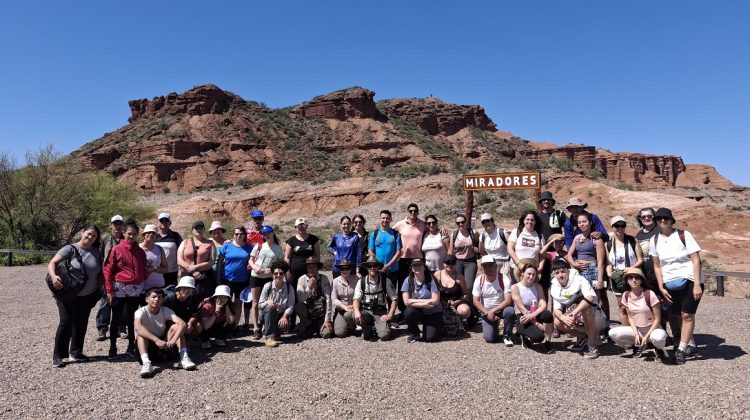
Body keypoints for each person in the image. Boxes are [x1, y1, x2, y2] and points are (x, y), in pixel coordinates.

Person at [650, 208, 703, 364]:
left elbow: (695, 260)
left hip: (689, 280)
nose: (662, 221)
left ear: (671, 220)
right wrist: (661, 286)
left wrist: (697, 284)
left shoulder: (683, 235)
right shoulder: (654, 240)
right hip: (669, 283)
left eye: (665, 218)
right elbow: (657, 266)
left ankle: (681, 349)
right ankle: (690, 343)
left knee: (687, 314)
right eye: (659, 219)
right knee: (678, 314)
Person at [48, 225, 103, 367]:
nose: (90, 237)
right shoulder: (70, 249)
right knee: (65, 322)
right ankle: (58, 355)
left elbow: (99, 274)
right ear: (83, 233)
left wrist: (100, 290)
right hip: (68, 294)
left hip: (88, 295)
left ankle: (76, 352)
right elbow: (52, 263)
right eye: (89, 234)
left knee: (81, 323)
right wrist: (54, 277)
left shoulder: (97, 253)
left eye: (94, 236)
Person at [104, 220, 148, 360]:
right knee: (116, 319)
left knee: (132, 319)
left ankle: (131, 345)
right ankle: (112, 347)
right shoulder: (116, 249)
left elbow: (143, 268)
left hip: (135, 290)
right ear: (123, 233)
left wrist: (142, 278)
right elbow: (107, 270)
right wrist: (109, 290)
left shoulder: (140, 251)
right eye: (129, 233)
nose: (131, 236)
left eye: (134, 234)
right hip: (119, 289)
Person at [608, 267, 669, 363]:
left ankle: (659, 349)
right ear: (627, 280)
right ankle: (639, 344)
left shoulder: (649, 294)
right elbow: (630, 317)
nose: (633, 280)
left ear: (641, 280)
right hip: (639, 330)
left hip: (654, 329)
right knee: (613, 333)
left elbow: (657, 319)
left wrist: (647, 336)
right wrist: (636, 334)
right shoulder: (626, 295)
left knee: (657, 338)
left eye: (637, 277)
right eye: (630, 278)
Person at [549, 258, 606, 359]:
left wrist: (573, 313)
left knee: (585, 307)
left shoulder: (579, 279)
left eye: (563, 271)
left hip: (595, 318)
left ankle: (592, 345)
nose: (561, 275)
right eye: (557, 272)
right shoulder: (555, 286)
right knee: (557, 321)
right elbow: (556, 309)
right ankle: (584, 337)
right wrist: (562, 317)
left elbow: (590, 297)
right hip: (576, 319)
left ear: (568, 270)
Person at [134, 287, 196, 378]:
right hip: (148, 346)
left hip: (164, 345)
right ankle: (146, 363)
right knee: (141, 335)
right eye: (154, 297)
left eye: (159, 297)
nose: (157, 299)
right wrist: (156, 340)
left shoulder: (165, 310)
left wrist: (174, 339)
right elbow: (138, 327)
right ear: (147, 299)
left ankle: (184, 357)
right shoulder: (140, 312)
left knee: (176, 327)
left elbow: (182, 324)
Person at [565, 211, 609, 324]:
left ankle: (603, 324)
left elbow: (600, 261)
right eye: (579, 222)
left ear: (590, 222)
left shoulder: (596, 239)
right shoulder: (577, 238)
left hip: (593, 270)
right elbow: (569, 255)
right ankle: (584, 324)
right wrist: (574, 264)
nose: (582, 224)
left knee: (596, 298)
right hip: (580, 271)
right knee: (581, 298)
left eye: (584, 222)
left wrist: (599, 279)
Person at [606, 215, 644, 326]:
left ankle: (640, 331)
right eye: (616, 226)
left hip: (632, 276)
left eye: (622, 225)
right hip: (617, 278)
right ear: (612, 227)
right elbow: (609, 263)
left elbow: (640, 259)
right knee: (622, 307)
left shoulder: (632, 240)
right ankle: (627, 334)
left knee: (636, 305)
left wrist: (631, 269)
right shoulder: (608, 244)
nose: (620, 228)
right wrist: (609, 273)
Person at [248, 225, 283, 339]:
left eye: (268, 233)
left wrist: (271, 270)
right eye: (264, 234)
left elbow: (279, 264)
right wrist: (255, 267)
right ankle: (256, 328)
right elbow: (251, 259)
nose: (266, 235)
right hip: (256, 276)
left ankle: (267, 326)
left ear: (272, 233)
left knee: (269, 302)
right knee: (256, 302)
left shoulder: (278, 248)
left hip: (268, 278)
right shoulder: (259, 246)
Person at [216, 225, 253, 330]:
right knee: (223, 303)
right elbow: (219, 263)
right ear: (233, 235)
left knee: (238, 304)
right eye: (236, 234)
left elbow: (252, 261)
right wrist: (218, 279)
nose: (238, 236)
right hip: (226, 279)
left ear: (244, 235)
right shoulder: (227, 246)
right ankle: (221, 326)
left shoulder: (249, 247)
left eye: (241, 234)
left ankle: (235, 327)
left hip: (242, 280)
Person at [472, 256, 516, 346]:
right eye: (485, 266)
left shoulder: (504, 279)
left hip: (501, 309)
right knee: (489, 339)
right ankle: (494, 326)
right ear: (482, 268)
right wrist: (487, 313)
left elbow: (508, 300)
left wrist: (493, 311)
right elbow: (475, 301)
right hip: (486, 311)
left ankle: (507, 335)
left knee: (510, 311)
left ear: (496, 266)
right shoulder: (479, 280)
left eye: (490, 265)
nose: (488, 268)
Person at [367, 210, 403, 319]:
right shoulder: (375, 233)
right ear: (380, 219)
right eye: (383, 218)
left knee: (392, 294)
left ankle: (391, 316)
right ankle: (381, 315)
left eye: (387, 218)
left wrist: (388, 265)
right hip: (378, 270)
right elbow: (370, 250)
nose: (385, 220)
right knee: (380, 293)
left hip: (393, 269)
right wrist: (379, 264)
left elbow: (398, 252)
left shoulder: (395, 234)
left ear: (391, 219)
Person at [353, 256, 398, 341]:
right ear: (367, 268)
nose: (372, 268)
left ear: (378, 267)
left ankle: (378, 328)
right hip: (366, 311)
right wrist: (357, 311)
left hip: (380, 313)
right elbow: (356, 299)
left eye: (375, 266)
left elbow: (394, 299)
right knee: (354, 315)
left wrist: (390, 315)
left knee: (384, 336)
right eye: (370, 266)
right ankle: (369, 328)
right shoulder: (361, 281)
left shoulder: (386, 281)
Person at [511, 264, 554, 353]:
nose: (531, 277)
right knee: (538, 337)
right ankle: (522, 335)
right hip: (523, 316)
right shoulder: (515, 287)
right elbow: (521, 308)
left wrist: (534, 316)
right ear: (523, 273)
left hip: (534, 313)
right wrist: (537, 324)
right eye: (529, 274)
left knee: (548, 314)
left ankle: (548, 342)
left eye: (534, 274)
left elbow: (543, 304)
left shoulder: (538, 286)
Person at [95, 215, 124, 341]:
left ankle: (121, 328)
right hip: (107, 276)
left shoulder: (126, 238)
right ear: (110, 225)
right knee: (105, 302)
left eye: (120, 223)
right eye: (115, 223)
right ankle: (102, 328)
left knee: (122, 304)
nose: (117, 226)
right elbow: (100, 256)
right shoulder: (106, 239)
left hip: (122, 277)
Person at [401, 259, 443, 342]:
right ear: (412, 268)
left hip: (433, 312)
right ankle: (414, 333)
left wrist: (413, 300)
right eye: (415, 265)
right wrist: (425, 304)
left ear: (424, 267)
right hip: (419, 311)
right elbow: (406, 302)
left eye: (419, 265)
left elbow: (436, 301)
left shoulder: (432, 280)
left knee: (430, 338)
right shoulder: (408, 280)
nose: (417, 267)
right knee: (409, 312)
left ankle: (437, 325)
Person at [447, 213, 479, 316]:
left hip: (470, 261)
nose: (461, 224)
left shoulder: (473, 233)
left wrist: (476, 250)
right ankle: (460, 308)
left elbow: (479, 248)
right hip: (458, 262)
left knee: (469, 287)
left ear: (466, 222)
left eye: (462, 222)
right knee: (458, 285)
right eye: (458, 223)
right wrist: (448, 262)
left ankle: (471, 309)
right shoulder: (454, 234)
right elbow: (451, 251)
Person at [258, 261, 296, 347]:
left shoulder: (289, 288)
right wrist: (268, 302)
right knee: (269, 307)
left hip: (281, 315)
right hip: (267, 314)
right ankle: (269, 338)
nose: (278, 275)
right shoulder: (267, 286)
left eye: (281, 273)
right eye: (276, 273)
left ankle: (276, 332)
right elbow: (260, 304)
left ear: (284, 274)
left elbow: (290, 305)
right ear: (272, 274)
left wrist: (285, 317)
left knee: (284, 325)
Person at [295, 257, 333, 339]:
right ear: (306, 268)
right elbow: (300, 299)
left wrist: (327, 319)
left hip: (321, 313)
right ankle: (306, 324)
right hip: (309, 313)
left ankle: (317, 326)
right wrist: (309, 288)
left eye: (314, 267)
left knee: (327, 334)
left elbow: (328, 299)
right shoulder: (301, 279)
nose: (312, 269)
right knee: (298, 306)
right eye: (309, 267)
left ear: (317, 267)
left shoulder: (324, 278)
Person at [177, 220, 216, 300]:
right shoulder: (185, 242)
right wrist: (192, 270)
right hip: (187, 275)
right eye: (196, 228)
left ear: (204, 229)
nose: (199, 229)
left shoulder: (210, 243)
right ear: (192, 230)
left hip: (204, 276)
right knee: (185, 298)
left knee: (203, 299)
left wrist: (195, 267)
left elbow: (211, 261)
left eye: (201, 228)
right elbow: (179, 260)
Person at [393, 203, 428, 286]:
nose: (413, 212)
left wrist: (441, 229)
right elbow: (390, 232)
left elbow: (431, 230)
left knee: (418, 281)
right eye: (411, 211)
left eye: (415, 211)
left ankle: (417, 298)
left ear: (418, 212)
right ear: (407, 212)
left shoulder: (422, 224)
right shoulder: (400, 224)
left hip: (418, 258)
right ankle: (402, 299)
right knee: (403, 282)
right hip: (404, 258)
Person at [284, 217, 321, 289]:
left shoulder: (314, 239)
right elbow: (287, 258)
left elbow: (317, 256)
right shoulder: (291, 241)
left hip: (309, 271)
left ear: (306, 226)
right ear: (295, 227)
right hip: (294, 273)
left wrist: (316, 270)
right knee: (294, 292)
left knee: (310, 290)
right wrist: (287, 272)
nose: (301, 227)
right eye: (299, 226)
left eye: (303, 225)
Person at [507, 211, 544, 282]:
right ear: (524, 221)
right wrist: (519, 263)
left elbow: (543, 254)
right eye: (527, 219)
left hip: (532, 272)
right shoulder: (517, 232)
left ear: (535, 222)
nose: (530, 222)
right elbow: (510, 248)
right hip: (517, 269)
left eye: (532, 220)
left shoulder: (539, 236)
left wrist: (541, 267)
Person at [162, 276, 201, 341]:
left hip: (184, 322)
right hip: (169, 323)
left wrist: (190, 323)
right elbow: (161, 315)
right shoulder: (169, 299)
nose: (186, 290)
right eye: (184, 288)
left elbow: (194, 315)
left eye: (189, 288)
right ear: (179, 288)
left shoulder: (192, 299)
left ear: (192, 290)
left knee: (198, 325)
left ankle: (187, 341)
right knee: (178, 327)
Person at [434, 255, 471, 321]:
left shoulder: (460, 277)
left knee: (464, 310)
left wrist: (456, 302)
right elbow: (433, 291)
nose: (450, 265)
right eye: (447, 263)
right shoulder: (437, 275)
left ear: (455, 264)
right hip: (441, 302)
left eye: (452, 263)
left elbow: (465, 294)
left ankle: (459, 322)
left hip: (456, 301)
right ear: (443, 264)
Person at [330, 259, 359, 338]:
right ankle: (348, 326)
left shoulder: (356, 280)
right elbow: (334, 299)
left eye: (347, 268)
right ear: (340, 270)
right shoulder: (335, 282)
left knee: (348, 315)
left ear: (350, 269)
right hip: (341, 309)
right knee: (340, 333)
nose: (345, 271)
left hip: (355, 308)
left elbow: (360, 295)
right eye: (343, 269)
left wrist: (354, 305)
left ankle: (353, 326)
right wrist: (344, 307)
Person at [478, 212, 511, 279]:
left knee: (504, 284)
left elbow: (511, 247)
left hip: (504, 264)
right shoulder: (483, 236)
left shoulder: (501, 232)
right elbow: (481, 251)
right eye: (483, 222)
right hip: (490, 264)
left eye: (488, 220)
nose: (486, 223)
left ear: (492, 221)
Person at [635, 207, 660, 292]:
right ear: (640, 218)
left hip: (661, 275)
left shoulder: (660, 231)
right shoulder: (639, 235)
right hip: (646, 277)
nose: (646, 218)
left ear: (654, 216)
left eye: (649, 216)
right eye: (643, 217)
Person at [155, 212, 183, 287]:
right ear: (157, 222)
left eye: (166, 220)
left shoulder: (176, 236)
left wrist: (180, 269)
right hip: (156, 272)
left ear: (170, 223)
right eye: (161, 220)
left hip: (172, 272)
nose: (164, 222)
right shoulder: (153, 236)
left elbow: (181, 253)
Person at [140, 224, 168, 291]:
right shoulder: (137, 248)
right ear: (144, 235)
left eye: (153, 233)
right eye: (148, 232)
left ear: (156, 236)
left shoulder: (159, 249)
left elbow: (166, 269)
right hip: (142, 286)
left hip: (158, 285)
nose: (151, 234)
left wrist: (154, 269)